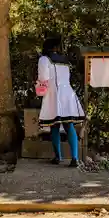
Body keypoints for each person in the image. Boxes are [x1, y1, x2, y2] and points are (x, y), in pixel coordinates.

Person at [37, 36, 85, 166]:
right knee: (69, 125)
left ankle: (58, 157)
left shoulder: (44, 59)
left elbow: (43, 77)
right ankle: (74, 158)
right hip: (68, 93)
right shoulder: (65, 60)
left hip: (53, 94)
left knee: (55, 126)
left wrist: (39, 86)